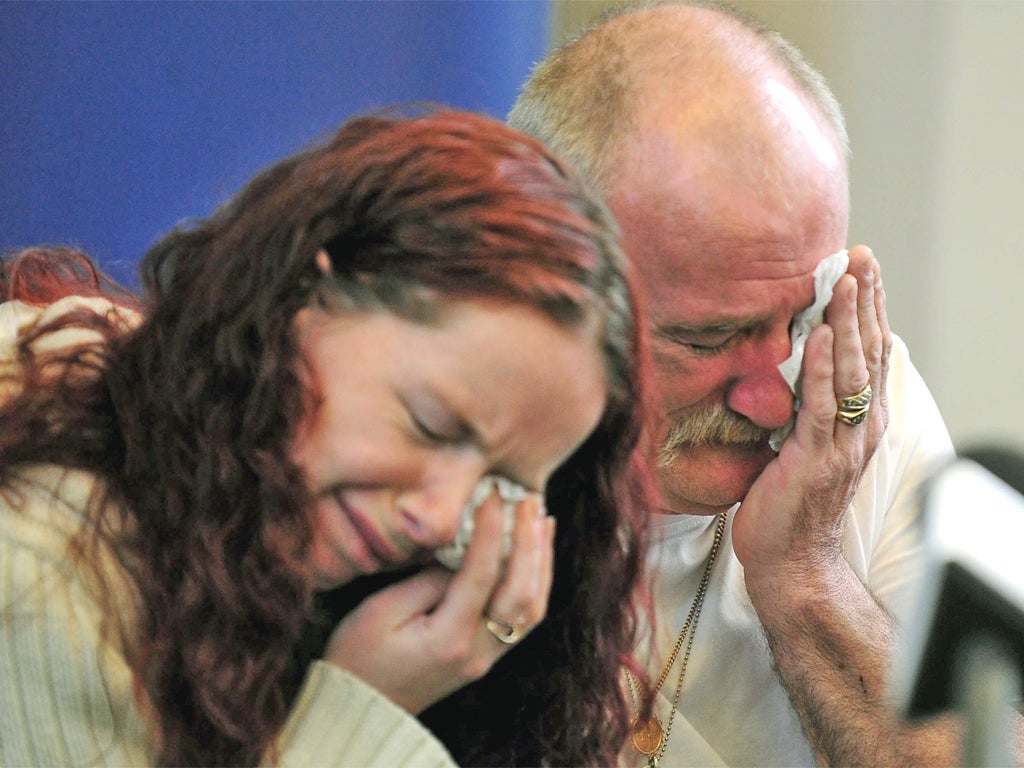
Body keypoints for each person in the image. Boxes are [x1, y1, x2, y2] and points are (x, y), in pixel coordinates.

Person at [0, 109, 657, 767]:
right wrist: (365, 712)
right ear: (300, 296)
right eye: (430, 424)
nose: (440, 518)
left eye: (504, 485)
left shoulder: (269, 542)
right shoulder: (35, 559)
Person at [507, 1, 1012, 765]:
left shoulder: (856, 398)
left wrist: (806, 577)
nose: (775, 398)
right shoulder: (421, 428)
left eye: (801, 315)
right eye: (708, 337)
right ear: (544, 282)